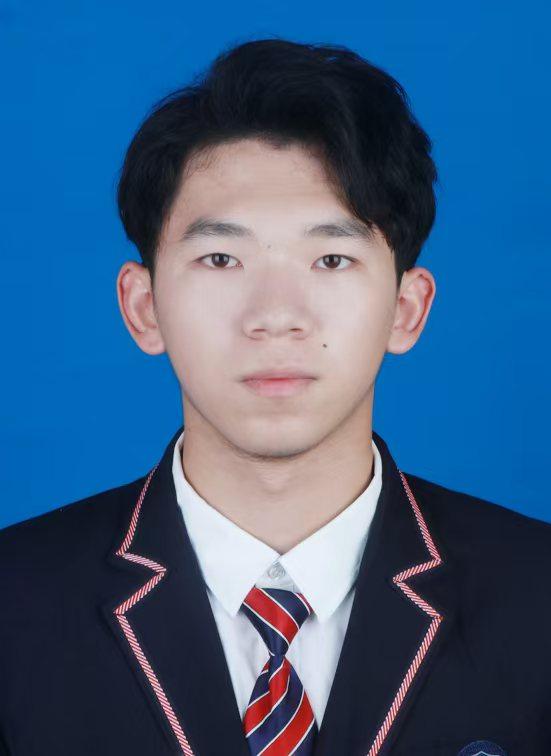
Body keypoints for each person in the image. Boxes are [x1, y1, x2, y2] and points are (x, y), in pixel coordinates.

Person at [1, 37, 550, 756]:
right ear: (143, 307)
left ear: (405, 309)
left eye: (331, 258)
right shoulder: (14, 601)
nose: (275, 315)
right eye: (220, 258)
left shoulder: (537, 595)